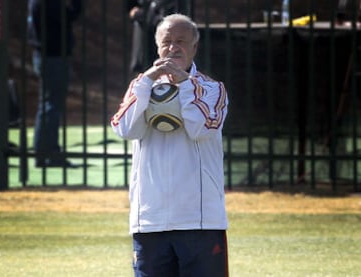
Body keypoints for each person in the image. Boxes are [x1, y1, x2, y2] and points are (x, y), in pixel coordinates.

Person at [111, 14, 229, 276]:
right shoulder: (141, 87)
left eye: (181, 41)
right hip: (150, 221)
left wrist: (185, 86)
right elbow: (125, 128)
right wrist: (145, 82)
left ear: (194, 48)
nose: (173, 48)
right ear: (157, 47)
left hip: (200, 222)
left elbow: (201, 128)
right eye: (167, 42)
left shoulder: (212, 89)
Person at [27, 0, 82, 167]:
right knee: (51, 104)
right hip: (53, 55)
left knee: (47, 104)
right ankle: (48, 152)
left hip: (47, 54)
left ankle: (43, 151)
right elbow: (67, 16)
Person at [128, 0, 194, 73]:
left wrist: (140, 14)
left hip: (165, 46)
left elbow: (174, 20)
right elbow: (132, 7)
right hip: (145, 44)